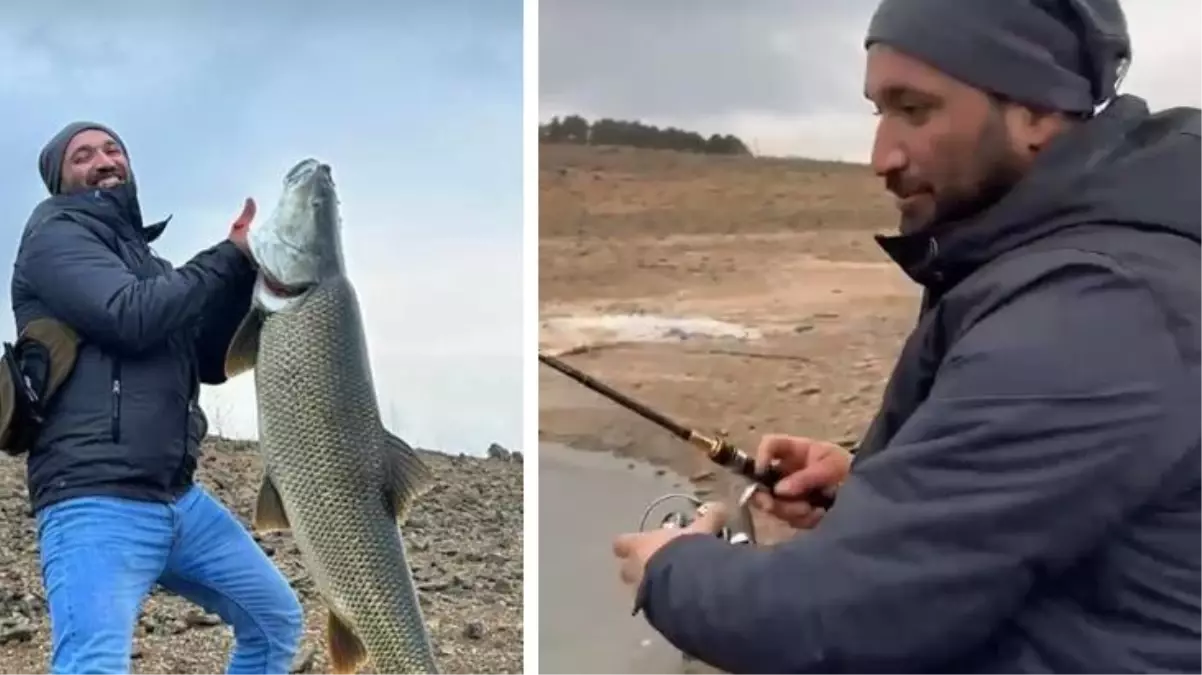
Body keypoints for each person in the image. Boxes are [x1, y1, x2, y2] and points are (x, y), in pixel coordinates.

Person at [612, 0, 1202, 673]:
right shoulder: (1073, 264)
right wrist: (878, 485)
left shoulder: (1099, 309)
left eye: (915, 110)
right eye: (878, 111)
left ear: (1037, 110)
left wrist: (673, 569)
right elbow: (1044, 502)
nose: (880, 157)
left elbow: (835, 619)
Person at [11, 121, 304, 673]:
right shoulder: (53, 236)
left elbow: (208, 362)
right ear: (59, 178)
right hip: (92, 500)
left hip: (177, 500)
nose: (103, 160)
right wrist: (228, 257)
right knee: (93, 663)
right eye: (82, 156)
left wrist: (253, 283)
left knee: (274, 621)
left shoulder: (151, 266)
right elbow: (131, 316)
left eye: (112, 149)